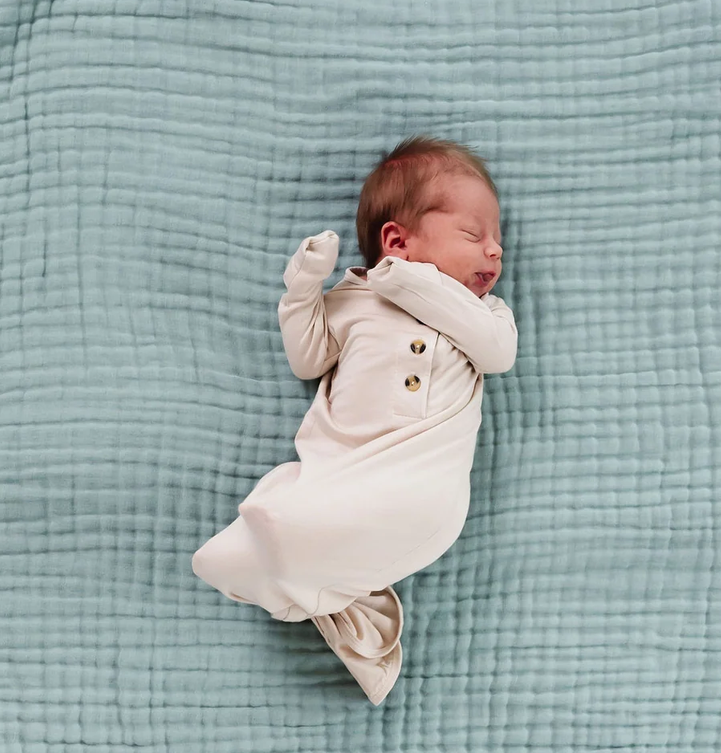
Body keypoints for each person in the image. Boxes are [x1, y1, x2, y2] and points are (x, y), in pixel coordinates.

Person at [191, 135, 517, 703]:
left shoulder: (484, 314)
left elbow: (498, 354)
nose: (495, 252)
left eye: (497, 238)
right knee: (284, 501)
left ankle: (307, 583)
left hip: (424, 486)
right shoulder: (355, 299)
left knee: (284, 525)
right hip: (345, 472)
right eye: (474, 235)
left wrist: (407, 279)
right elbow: (308, 358)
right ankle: (332, 590)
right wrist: (302, 291)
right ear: (398, 240)